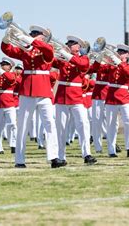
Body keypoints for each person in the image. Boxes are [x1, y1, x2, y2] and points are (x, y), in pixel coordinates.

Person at [1, 24, 61, 168]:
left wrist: (27, 39)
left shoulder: (48, 48)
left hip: (44, 91)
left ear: (43, 37)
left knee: (50, 124)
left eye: (36, 34)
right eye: (31, 33)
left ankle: (53, 157)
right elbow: (7, 50)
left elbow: (46, 50)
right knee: (22, 126)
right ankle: (19, 160)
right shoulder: (26, 50)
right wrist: (6, 38)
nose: (32, 35)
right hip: (27, 91)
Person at [52, 35, 96, 165]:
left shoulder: (83, 58)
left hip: (76, 97)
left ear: (78, 46)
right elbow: (49, 60)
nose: (69, 45)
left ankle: (87, 154)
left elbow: (82, 65)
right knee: (61, 128)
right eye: (68, 43)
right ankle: (61, 156)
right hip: (62, 97)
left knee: (83, 125)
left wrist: (66, 55)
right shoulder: (62, 59)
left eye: (72, 43)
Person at [97, 44, 129, 158]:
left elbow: (128, 73)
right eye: (118, 51)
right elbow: (98, 69)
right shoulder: (111, 66)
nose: (119, 53)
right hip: (111, 98)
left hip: (124, 97)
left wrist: (119, 62)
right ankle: (111, 150)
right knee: (111, 125)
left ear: (127, 55)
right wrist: (100, 57)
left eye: (122, 52)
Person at [0, 57, 17, 154]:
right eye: (2, 64)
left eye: (5, 64)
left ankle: (13, 145)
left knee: (13, 124)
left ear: (10, 66)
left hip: (9, 103)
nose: (3, 66)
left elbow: (10, 79)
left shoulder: (13, 74)